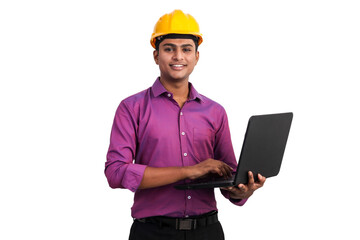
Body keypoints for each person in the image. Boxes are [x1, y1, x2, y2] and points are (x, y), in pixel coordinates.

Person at [105, 9, 266, 240]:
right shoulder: (131, 108)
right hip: (152, 233)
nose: (178, 56)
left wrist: (242, 190)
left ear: (196, 57)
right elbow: (115, 172)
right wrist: (190, 171)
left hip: (207, 232)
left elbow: (227, 174)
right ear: (156, 56)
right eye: (169, 48)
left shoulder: (215, 111)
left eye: (186, 49)